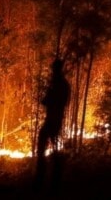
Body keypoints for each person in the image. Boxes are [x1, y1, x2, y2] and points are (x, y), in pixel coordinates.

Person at [34, 58, 71, 190]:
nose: (52, 71)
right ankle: (50, 178)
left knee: (49, 148)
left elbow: (50, 102)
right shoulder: (61, 84)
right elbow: (48, 101)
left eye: (53, 69)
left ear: (57, 69)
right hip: (54, 119)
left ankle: (47, 179)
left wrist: (49, 95)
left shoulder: (59, 85)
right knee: (49, 147)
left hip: (54, 119)